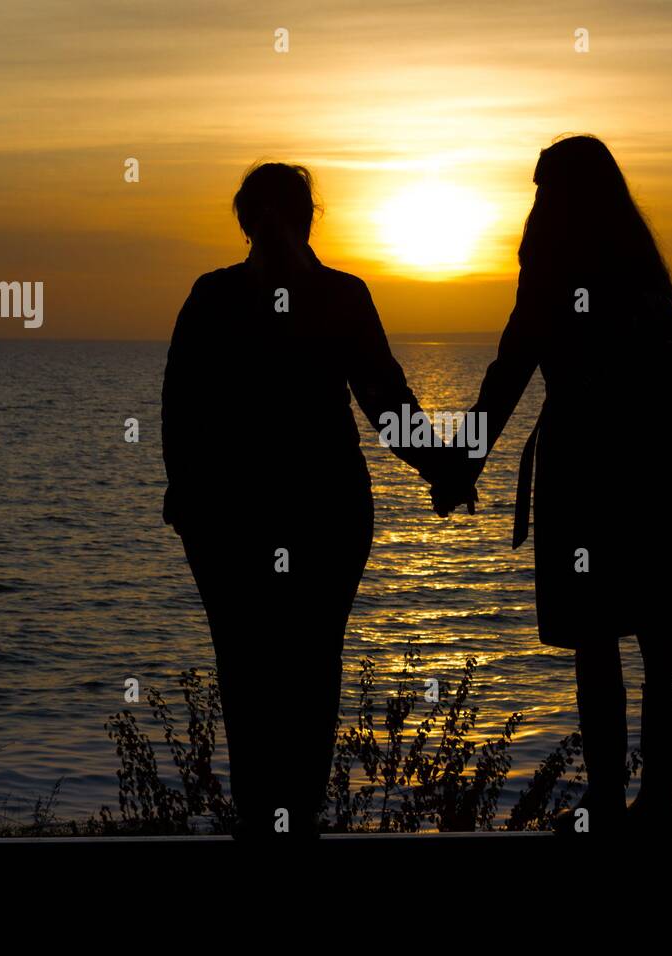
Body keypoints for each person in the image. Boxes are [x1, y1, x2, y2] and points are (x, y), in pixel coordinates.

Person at [161, 162, 456, 838]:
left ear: (242, 219)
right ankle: (298, 821)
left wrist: (186, 492)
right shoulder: (340, 295)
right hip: (325, 510)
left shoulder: (212, 296)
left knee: (246, 670)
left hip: (228, 516)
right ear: (310, 218)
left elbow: (180, 407)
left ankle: (261, 822)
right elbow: (387, 404)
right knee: (312, 665)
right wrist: (443, 469)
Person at [438, 135, 672, 833]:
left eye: (544, 188)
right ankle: (655, 800)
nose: (535, 203)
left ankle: (610, 799)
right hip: (646, 468)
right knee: (655, 636)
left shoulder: (554, 276)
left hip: (586, 470)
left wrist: (462, 467)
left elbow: (507, 377)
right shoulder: (639, 272)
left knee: (602, 641)